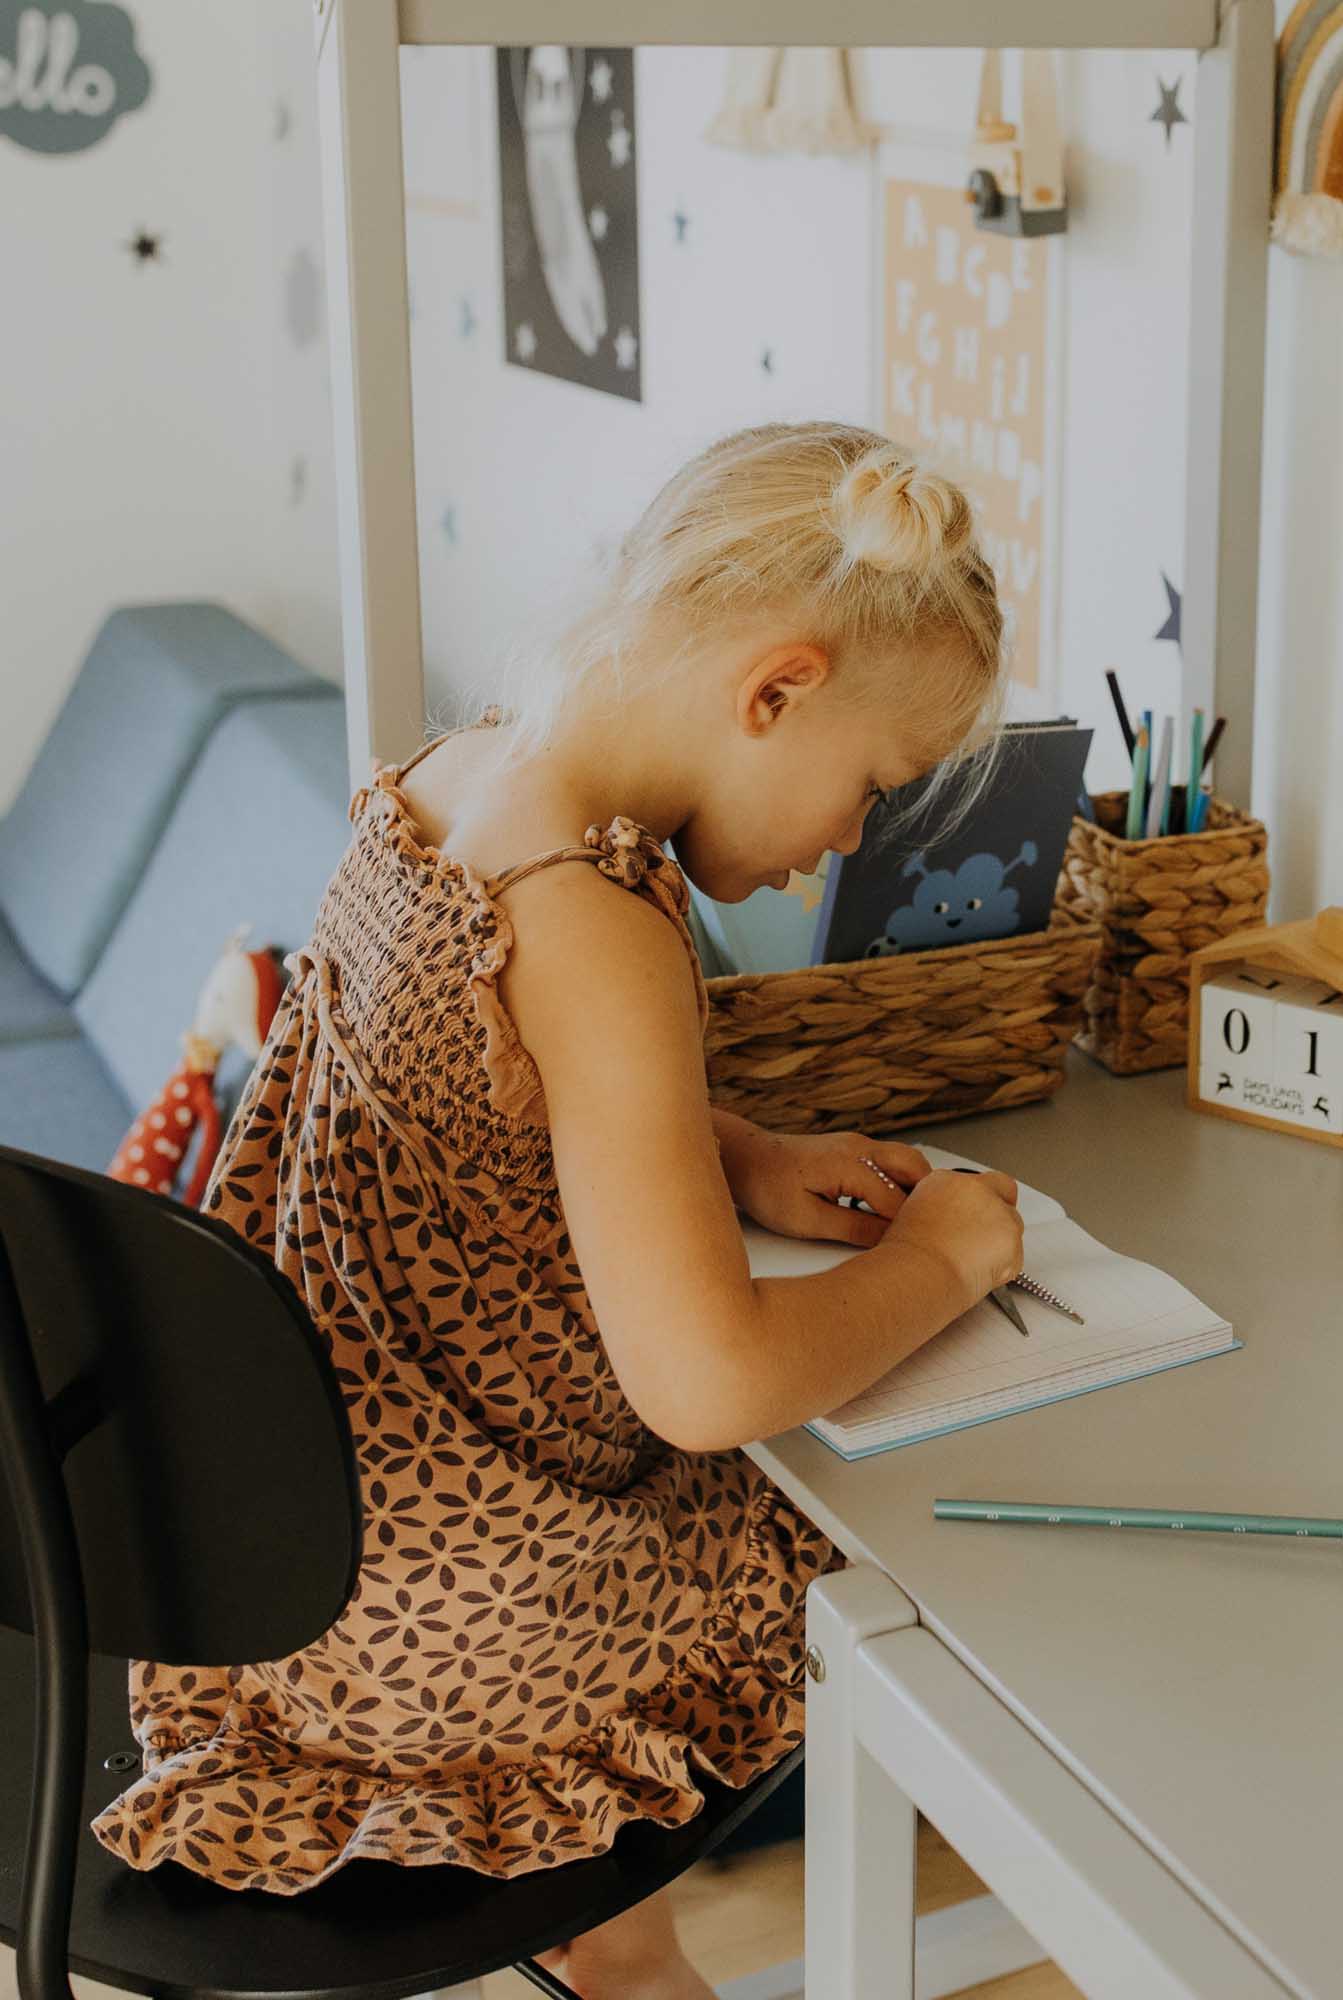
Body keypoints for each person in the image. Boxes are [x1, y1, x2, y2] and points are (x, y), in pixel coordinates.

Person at [92, 421, 1029, 2000]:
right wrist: (948, 1258)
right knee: (842, 1536)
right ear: (775, 690)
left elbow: (478, 1099)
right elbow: (708, 1381)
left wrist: (726, 1145)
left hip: (290, 1542)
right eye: (874, 785)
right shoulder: (597, 925)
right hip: (455, 1616)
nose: (854, 839)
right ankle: (639, 1956)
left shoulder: (449, 781)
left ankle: (623, 1947)